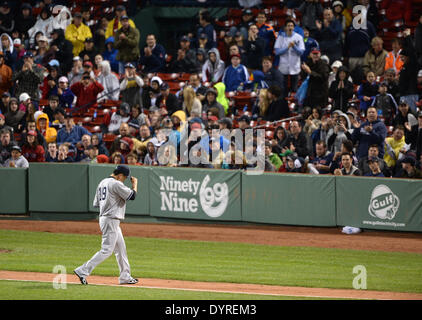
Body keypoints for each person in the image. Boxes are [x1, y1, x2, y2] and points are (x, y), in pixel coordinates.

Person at [74, 165, 139, 285]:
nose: (124, 179)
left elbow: (97, 204)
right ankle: (82, 270)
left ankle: (125, 276)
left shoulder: (102, 182)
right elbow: (132, 196)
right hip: (110, 220)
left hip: (106, 219)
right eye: (124, 177)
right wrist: (135, 184)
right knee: (107, 250)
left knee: (121, 248)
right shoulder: (115, 184)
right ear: (119, 175)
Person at [274, 19, 305, 96]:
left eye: (291, 26)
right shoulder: (281, 37)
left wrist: (294, 46)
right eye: (288, 26)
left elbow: (301, 52)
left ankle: (294, 105)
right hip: (283, 66)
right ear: (285, 28)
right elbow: (277, 52)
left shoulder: (299, 37)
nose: (290, 27)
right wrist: (287, 47)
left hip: (295, 66)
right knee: (283, 89)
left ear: (294, 27)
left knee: (294, 89)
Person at [398, 29, 419, 113]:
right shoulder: (404, 66)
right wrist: (405, 38)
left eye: (403, 56)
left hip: (411, 95)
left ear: (408, 57)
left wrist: (408, 37)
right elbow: (407, 48)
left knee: (412, 117)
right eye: (401, 56)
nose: (401, 58)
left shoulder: (413, 64)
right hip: (403, 95)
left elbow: (412, 51)